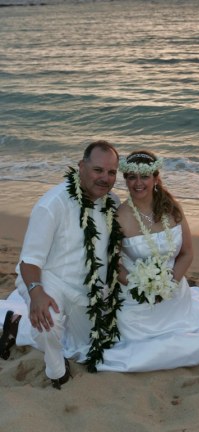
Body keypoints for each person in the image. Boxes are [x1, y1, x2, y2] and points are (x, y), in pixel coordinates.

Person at [88, 150, 199, 372]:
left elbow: (187, 253)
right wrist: (142, 288)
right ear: (125, 179)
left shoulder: (172, 209)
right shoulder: (118, 217)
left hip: (174, 292)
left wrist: (169, 284)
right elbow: (115, 265)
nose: (138, 183)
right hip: (135, 297)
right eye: (131, 177)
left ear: (155, 178)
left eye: (144, 176)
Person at [0, 140, 123, 388]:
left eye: (111, 172)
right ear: (81, 166)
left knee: (89, 346)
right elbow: (29, 262)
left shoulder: (113, 203)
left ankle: (15, 324)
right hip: (48, 278)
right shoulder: (52, 204)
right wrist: (36, 294)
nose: (105, 178)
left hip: (85, 287)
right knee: (47, 323)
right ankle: (57, 371)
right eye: (98, 170)